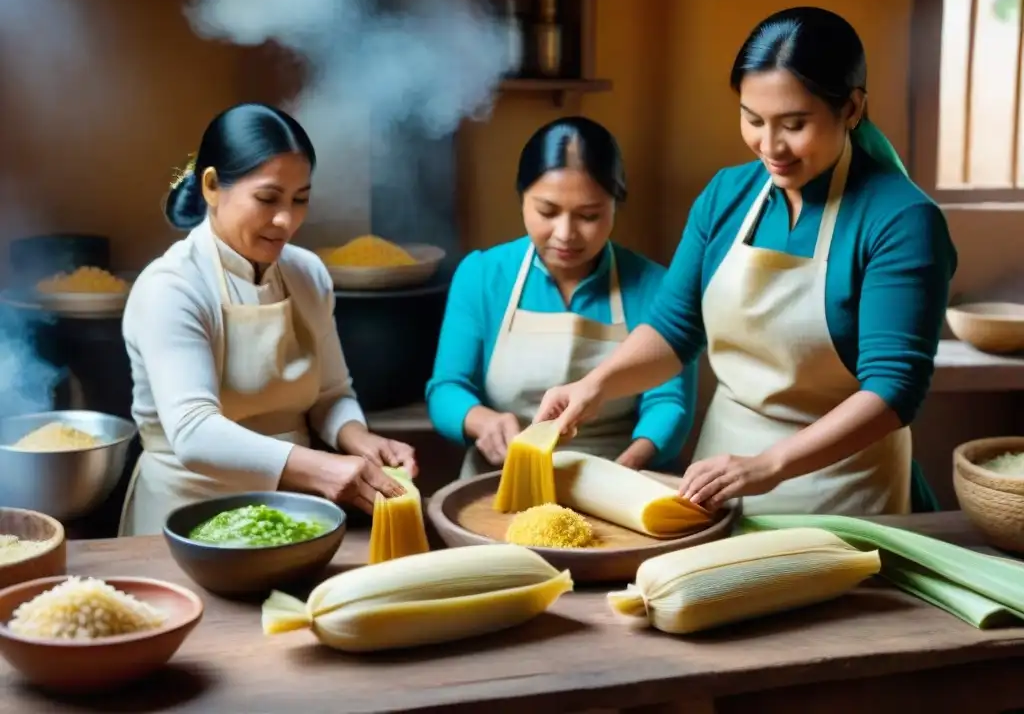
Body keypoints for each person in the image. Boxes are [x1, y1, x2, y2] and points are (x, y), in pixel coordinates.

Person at [535, 7, 958, 516]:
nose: (770, 146)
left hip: (847, 498)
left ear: (851, 108)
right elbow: (674, 329)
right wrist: (594, 386)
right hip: (718, 486)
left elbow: (893, 390)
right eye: (753, 119)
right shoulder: (727, 196)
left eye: (794, 124)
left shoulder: (901, 220)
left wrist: (769, 465)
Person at [119, 103, 415, 536]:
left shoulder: (307, 273)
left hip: (292, 517)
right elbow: (195, 433)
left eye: (300, 200)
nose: (286, 220)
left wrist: (357, 438)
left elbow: (331, 393)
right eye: (267, 198)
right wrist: (323, 469)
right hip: (185, 519)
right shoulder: (172, 286)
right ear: (212, 186)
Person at [426, 116, 698, 478]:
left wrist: (629, 466)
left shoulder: (655, 286)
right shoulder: (482, 276)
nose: (566, 234)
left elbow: (668, 401)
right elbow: (447, 388)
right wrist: (483, 422)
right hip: (504, 475)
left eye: (589, 215)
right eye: (547, 212)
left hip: (618, 475)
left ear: (616, 204)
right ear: (522, 198)